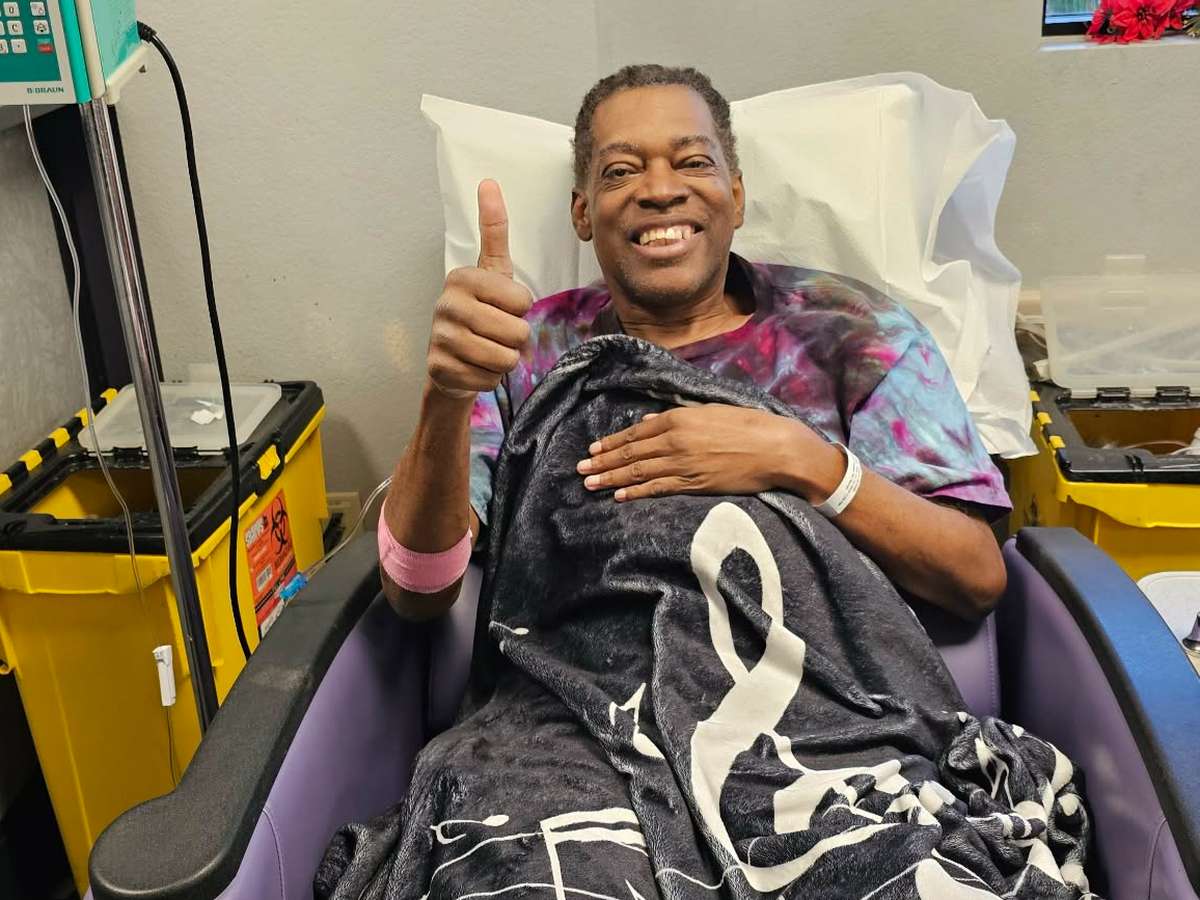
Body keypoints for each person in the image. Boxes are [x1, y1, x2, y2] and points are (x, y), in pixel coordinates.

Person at [379, 64, 1010, 623]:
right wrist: (446, 395)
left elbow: (976, 577)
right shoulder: (520, 349)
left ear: (735, 197)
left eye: (693, 162)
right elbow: (418, 591)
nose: (660, 190)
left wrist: (802, 460)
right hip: (565, 710)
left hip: (818, 708)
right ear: (582, 212)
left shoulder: (852, 332)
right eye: (621, 171)